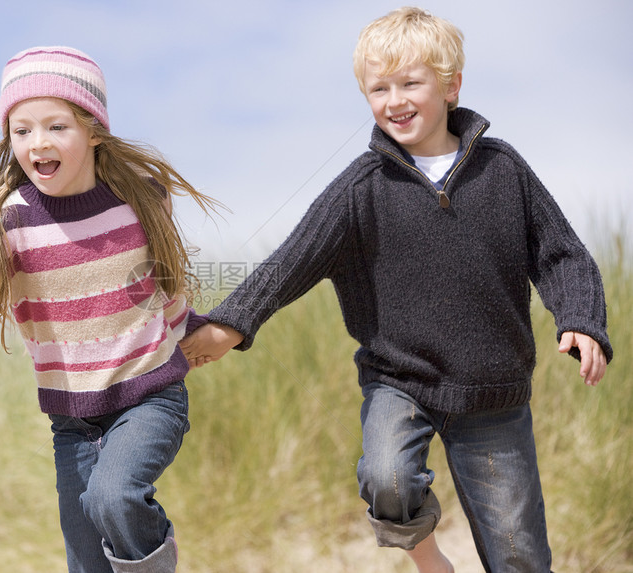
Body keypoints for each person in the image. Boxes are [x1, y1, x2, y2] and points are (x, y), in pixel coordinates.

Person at [180, 7, 612, 572]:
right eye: (378, 88)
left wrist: (580, 317)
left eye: (410, 83)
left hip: (493, 393)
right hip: (399, 380)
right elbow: (290, 262)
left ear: (451, 86)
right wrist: (231, 323)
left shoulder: (503, 170)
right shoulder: (361, 187)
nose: (394, 99)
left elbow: (562, 254)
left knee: (520, 555)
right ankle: (429, 558)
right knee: (387, 478)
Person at [0, 46, 219, 573]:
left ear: (94, 130)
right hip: (72, 423)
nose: (38, 144)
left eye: (57, 127)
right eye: (22, 131)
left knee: (114, 497)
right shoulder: (8, 225)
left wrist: (187, 334)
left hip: (149, 396)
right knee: (86, 564)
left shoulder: (141, 200)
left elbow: (163, 286)